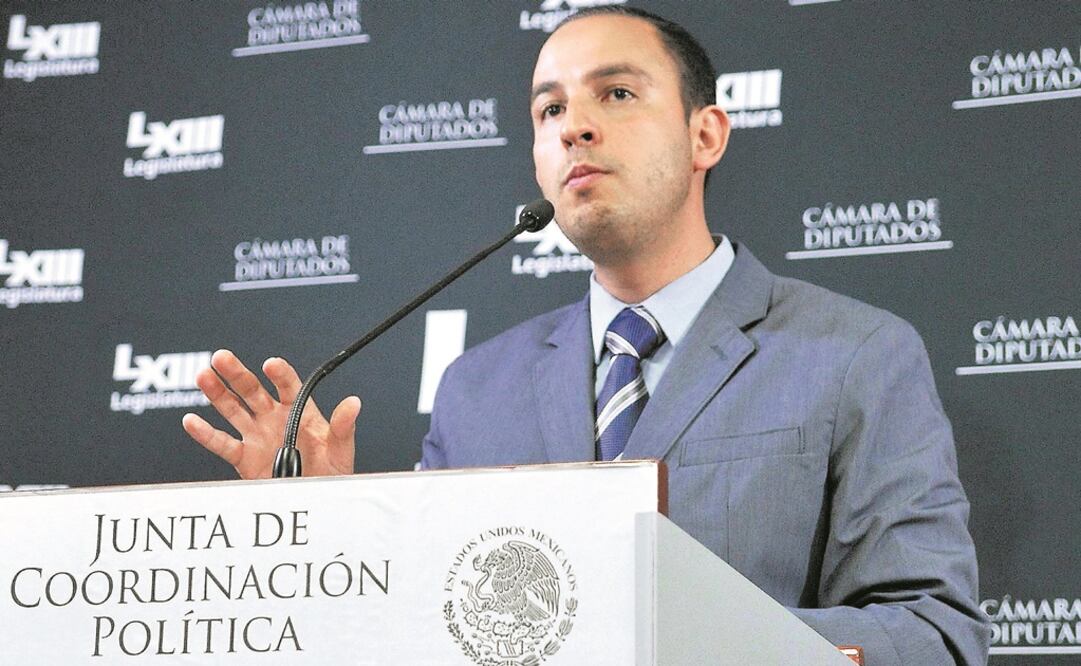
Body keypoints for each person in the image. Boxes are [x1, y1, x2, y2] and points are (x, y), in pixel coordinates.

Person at [183, 8, 990, 664]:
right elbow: (426, 628)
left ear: (705, 135)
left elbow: (933, 636)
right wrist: (333, 534)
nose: (575, 128)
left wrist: (687, 646)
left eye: (616, 95)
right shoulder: (476, 387)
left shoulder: (854, 353)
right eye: (550, 110)